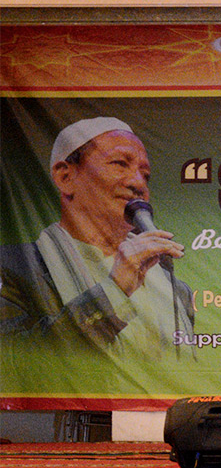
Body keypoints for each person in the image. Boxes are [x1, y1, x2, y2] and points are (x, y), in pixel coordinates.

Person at [0, 116, 194, 356]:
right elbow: (13, 363)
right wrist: (114, 292)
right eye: (120, 164)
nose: (138, 184)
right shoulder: (11, 266)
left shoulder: (177, 290)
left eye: (146, 175)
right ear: (65, 177)